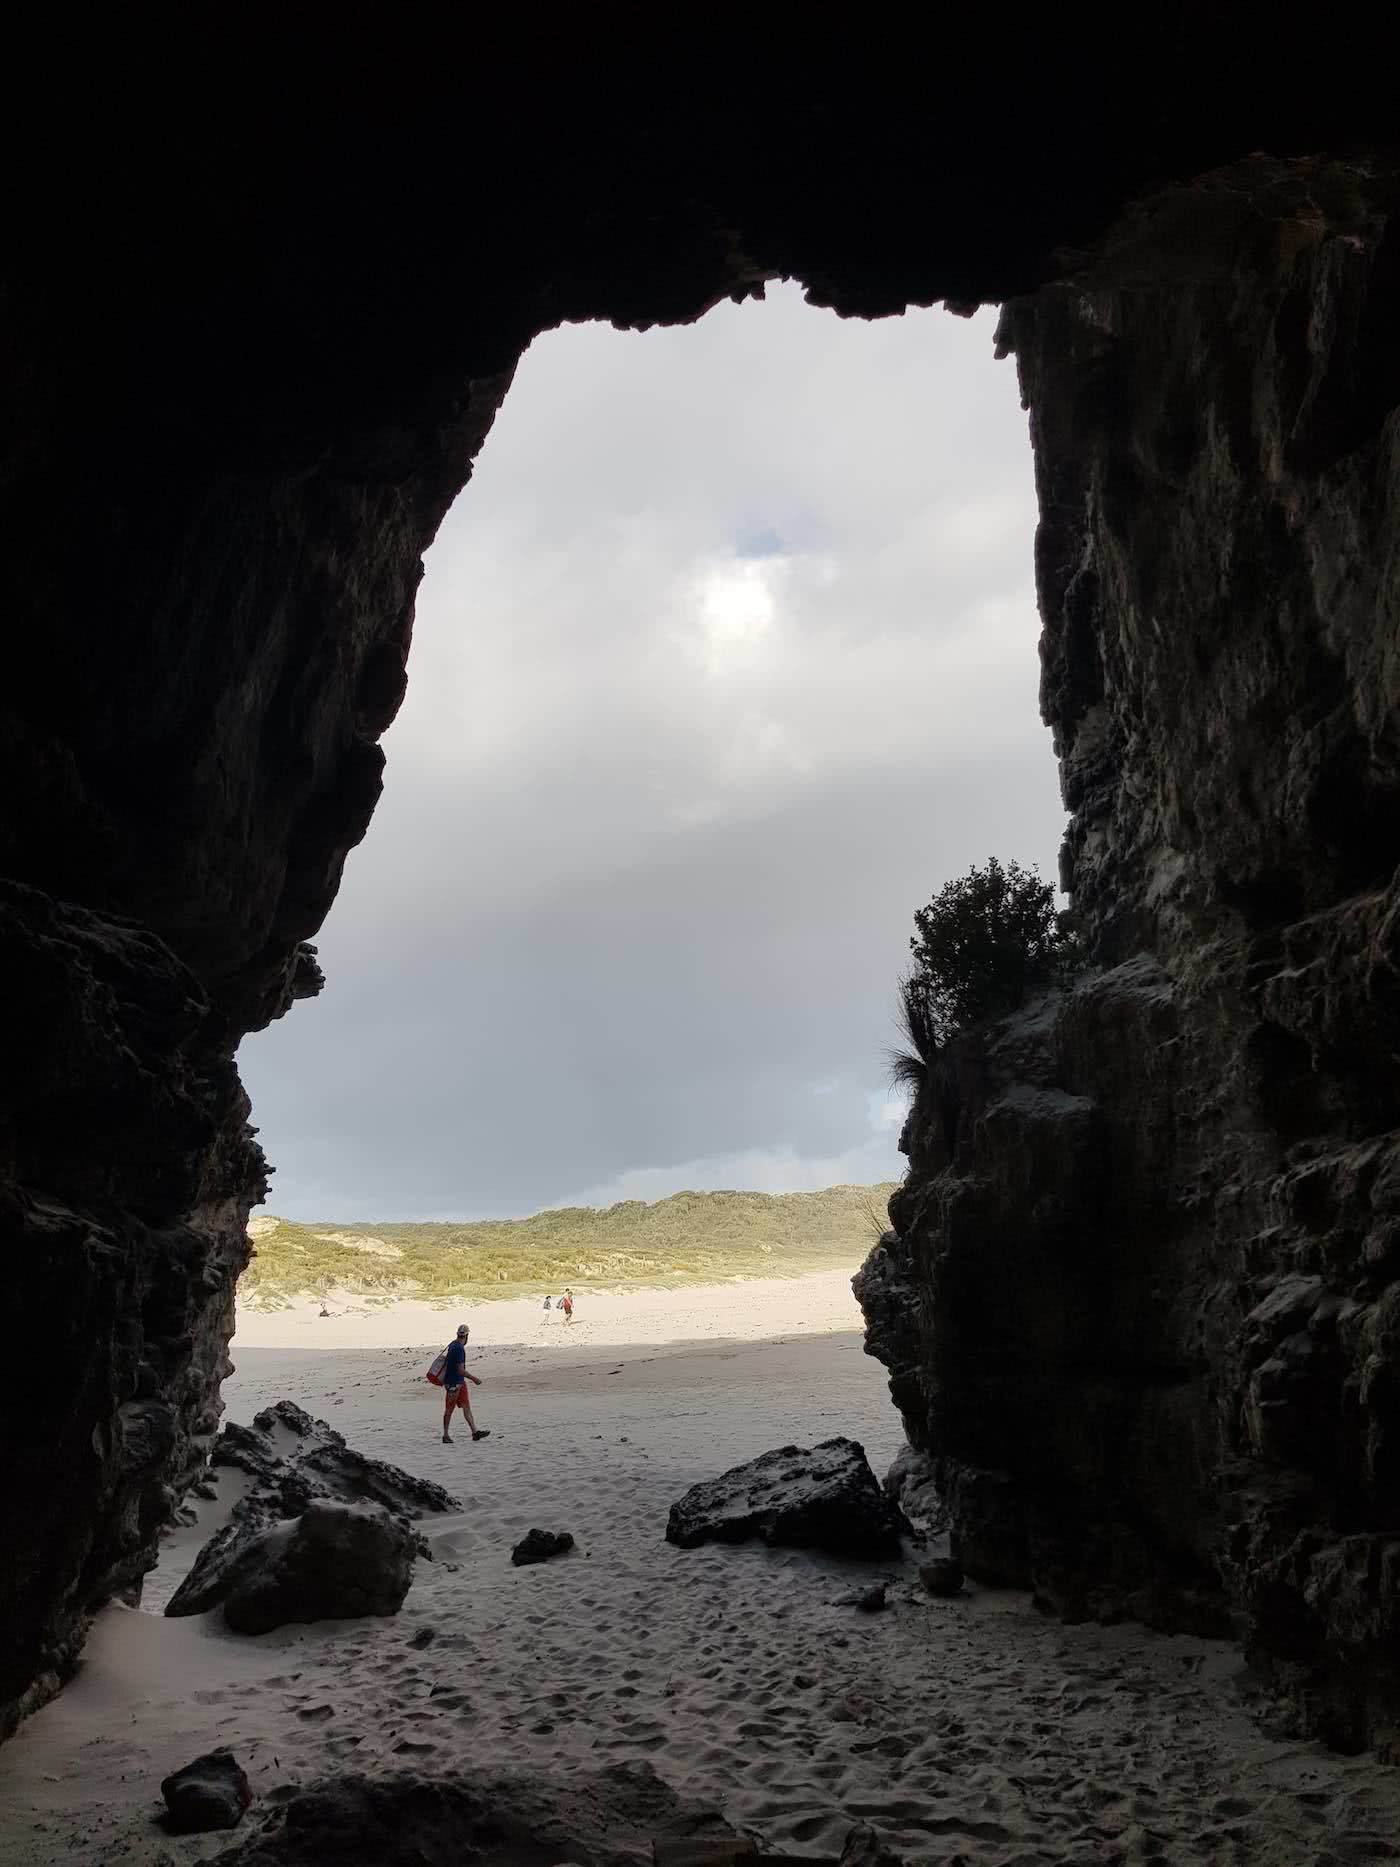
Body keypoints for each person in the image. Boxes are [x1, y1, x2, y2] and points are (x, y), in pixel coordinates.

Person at [441, 1323, 490, 1445]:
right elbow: (460, 1370)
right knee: (449, 1409)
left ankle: (475, 1432)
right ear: (467, 1336)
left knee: (466, 1406)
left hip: (458, 1382)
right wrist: (474, 1379)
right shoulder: (459, 1349)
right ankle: (445, 1435)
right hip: (454, 1383)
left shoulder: (453, 1344)